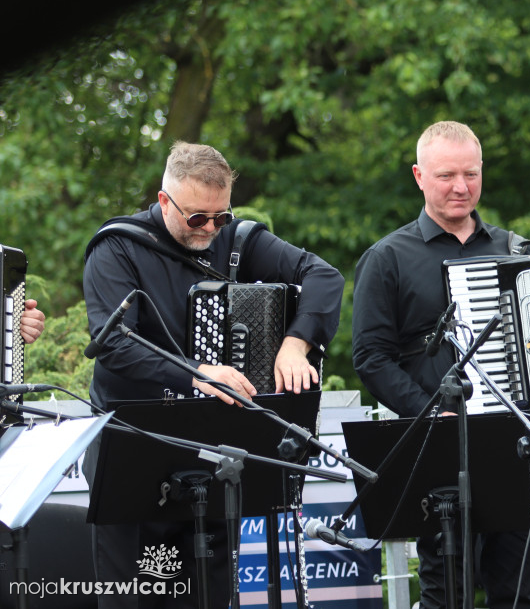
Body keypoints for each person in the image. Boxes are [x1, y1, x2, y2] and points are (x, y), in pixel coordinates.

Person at [352, 120, 530, 609]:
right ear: (419, 176)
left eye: (471, 174)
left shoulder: (517, 251)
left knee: (522, 590)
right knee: (448, 589)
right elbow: (371, 358)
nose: (461, 187)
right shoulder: (387, 258)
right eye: (446, 176)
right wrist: (430, 411)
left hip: (515, 441)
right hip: (438, 446)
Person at [82, 141, 344, 608]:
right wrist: (197, 374)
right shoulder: (117, 246)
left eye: (221, 216)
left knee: (213, 590)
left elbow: (324, 276)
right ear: (165, 201)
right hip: (132, 444)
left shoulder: (234, 238)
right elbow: (114, 344)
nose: (210, 229)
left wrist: (296, 342)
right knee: (133, 596)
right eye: (197, 218)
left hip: (213, 445)